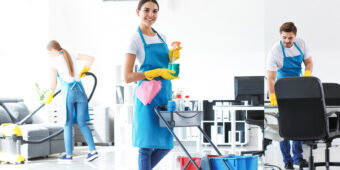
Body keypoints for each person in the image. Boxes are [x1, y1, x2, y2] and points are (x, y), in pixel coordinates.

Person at [123, 0, 179, 169]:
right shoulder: (134, 40)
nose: (151, 15)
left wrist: (173, 57)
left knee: (166, 143)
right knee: (146, 146)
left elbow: (165, 65)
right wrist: (151, 73)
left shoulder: (162, 37)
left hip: (164, 95)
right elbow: (127, 76)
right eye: (146, 10)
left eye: (155, 11)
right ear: (138, 12)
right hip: (147, 97)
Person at [267, 22, 313, 169]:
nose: (287, 41)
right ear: (280, 35)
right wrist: (273, 97)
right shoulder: (275, 51)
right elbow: (271, 78)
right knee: (284, 125)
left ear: (295, 36)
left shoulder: (301, 44)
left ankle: (298, 157)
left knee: (298, 123)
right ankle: (287, 160)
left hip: (298, 87)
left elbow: (309, 62)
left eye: (290, 38)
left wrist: (307, 74)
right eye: (284, 37)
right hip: (282, 89)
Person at [45, 40, 98, 162]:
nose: (49, 55)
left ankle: (68, 155)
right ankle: (93, 150)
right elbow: (91, 58)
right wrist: (85, 70)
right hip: (81, 91)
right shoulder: (71, 54)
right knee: (82, 122)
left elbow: (53, 84)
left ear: (53, 50)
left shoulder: (53, 62)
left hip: (68, 93)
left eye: (49, 52)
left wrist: (50, 95)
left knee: (67, 124)